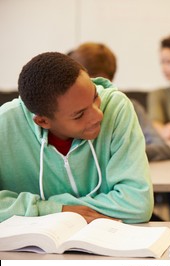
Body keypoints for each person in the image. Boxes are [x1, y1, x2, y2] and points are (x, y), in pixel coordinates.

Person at [0, 52, 153, 224]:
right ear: (43, 121)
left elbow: (138, 204)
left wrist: (38, 211)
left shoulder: (116, 107)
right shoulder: (4, 124)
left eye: (95, 97)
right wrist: (56, 209)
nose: (98, 115)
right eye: (79, 114)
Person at [68, 42, 170, 161]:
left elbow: (162, 148)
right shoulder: (65, 109)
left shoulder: (128, 106)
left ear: (108, 80)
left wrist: (120, 152)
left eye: (98, 84)